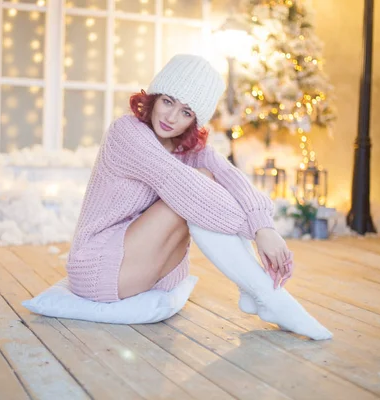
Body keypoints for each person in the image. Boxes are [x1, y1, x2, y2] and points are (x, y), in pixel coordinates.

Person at [66, 54, 332, 340]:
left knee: (208, 179)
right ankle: (268, 296)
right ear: (154, 97)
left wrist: (265, 227)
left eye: (186, 112)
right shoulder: (127, 132)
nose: (171, 117)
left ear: (195, 120)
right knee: (195, 190)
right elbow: (189, 191)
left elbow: (234, 180)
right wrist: (256, 233)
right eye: (168, 101)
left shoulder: (188, 149)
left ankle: (254, 291)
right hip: (96, 265)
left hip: (141, 264)